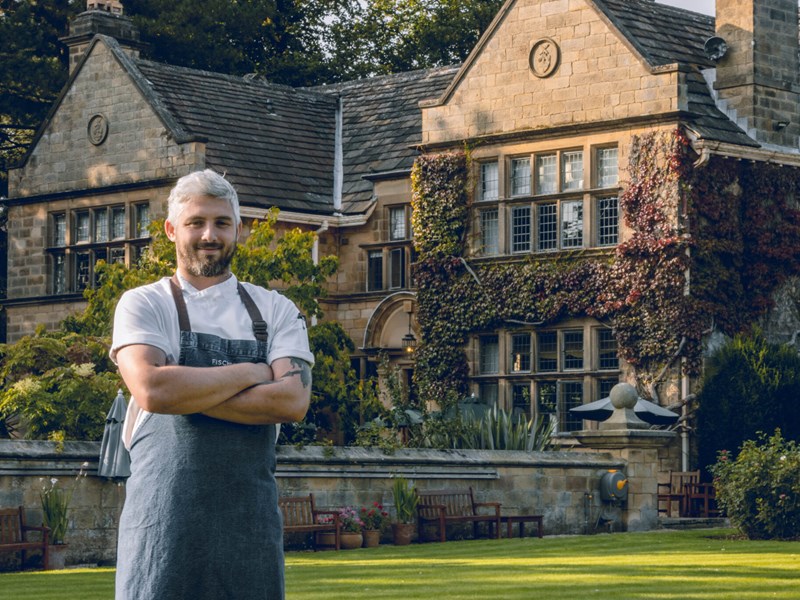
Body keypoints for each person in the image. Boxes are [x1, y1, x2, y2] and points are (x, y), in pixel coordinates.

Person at [111, 169, 313, 600]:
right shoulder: (144, 303)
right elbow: (153, 390)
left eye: (222, 223)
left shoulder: (276, 309)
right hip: (160, 533)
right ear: (171, 230)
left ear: (238, 229)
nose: (209, 234)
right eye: (195, 223)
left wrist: (187, 383)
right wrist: (253, 372)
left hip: (249, 531)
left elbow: (292, 401)